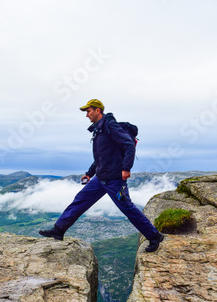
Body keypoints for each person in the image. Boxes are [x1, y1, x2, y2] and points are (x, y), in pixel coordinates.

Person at [39, 99, 164, 252]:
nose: (87, 115)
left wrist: (126, 168)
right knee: (79, 201)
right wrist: (89, 173)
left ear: (98, 110)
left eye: (88, 111)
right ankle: (58, 230)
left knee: (128, 209)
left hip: (114, 180)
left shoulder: (109, 125)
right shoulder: (98, 130)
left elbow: (129, 145)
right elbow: (101, 157)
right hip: (100, 178)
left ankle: (154, 236)